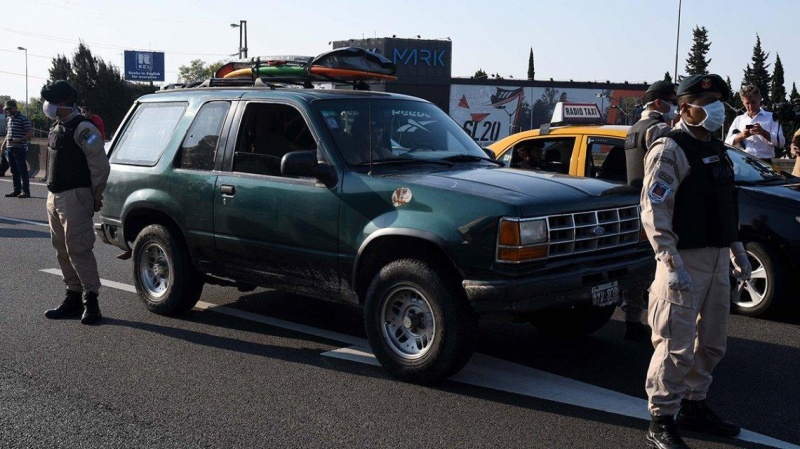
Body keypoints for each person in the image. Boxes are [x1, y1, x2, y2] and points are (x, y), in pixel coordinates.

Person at [640, 74, 752, 449]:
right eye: (706, 103)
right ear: (685, 107)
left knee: (713, 341)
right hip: (683, 260)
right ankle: (661, 419)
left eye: (718, 101)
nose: (715, 109)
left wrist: (736, 249)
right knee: (675, 345)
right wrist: (669, 262)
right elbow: (654, 209)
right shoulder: (670, 149)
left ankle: (694, 403)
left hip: (717, 256)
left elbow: (725, 204)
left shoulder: (717, 148)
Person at [40, 80, 110, 325]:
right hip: (55, 195)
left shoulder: (83, 129)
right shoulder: (58, 127)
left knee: (78, 248)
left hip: (75, 196)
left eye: (51, 101)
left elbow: (100, 166)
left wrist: (95, 195)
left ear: (62, 103)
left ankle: (91, 301)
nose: (47, 106)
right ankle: (72, 297)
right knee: (61, 248)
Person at [621, 80, 677, 342]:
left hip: (636, 205)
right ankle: (658, 328)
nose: (674, 106)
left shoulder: (633, 128)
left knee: (638, 269)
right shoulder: (659, 129)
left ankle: (632, 320)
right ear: (658, 103)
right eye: (672, 101)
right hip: (657, 206)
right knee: (658, 271)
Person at [724, 85, 785, 163]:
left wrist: (763, 132)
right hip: (743, 162)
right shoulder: (738, 120)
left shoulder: (771, 117)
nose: (750, 106)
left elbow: (781, 142)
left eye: (753, 102)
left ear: (759, 99)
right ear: (743, 103)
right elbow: (727, 144)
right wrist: (742, 135)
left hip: (764, 162)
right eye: (747, 103)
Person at [2, 100, 34, 198]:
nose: (8, 111)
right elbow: (8, 133)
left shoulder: (23, 119)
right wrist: (3, 144)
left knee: (22, 170)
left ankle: (26, 191)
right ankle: (16, 190)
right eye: (6, 109)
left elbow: (30, 133)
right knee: (13, 170)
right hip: (10, 148)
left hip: (19, 148)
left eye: (9, 108)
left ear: (15, 107)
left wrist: (19, 139)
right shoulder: (8, 119)